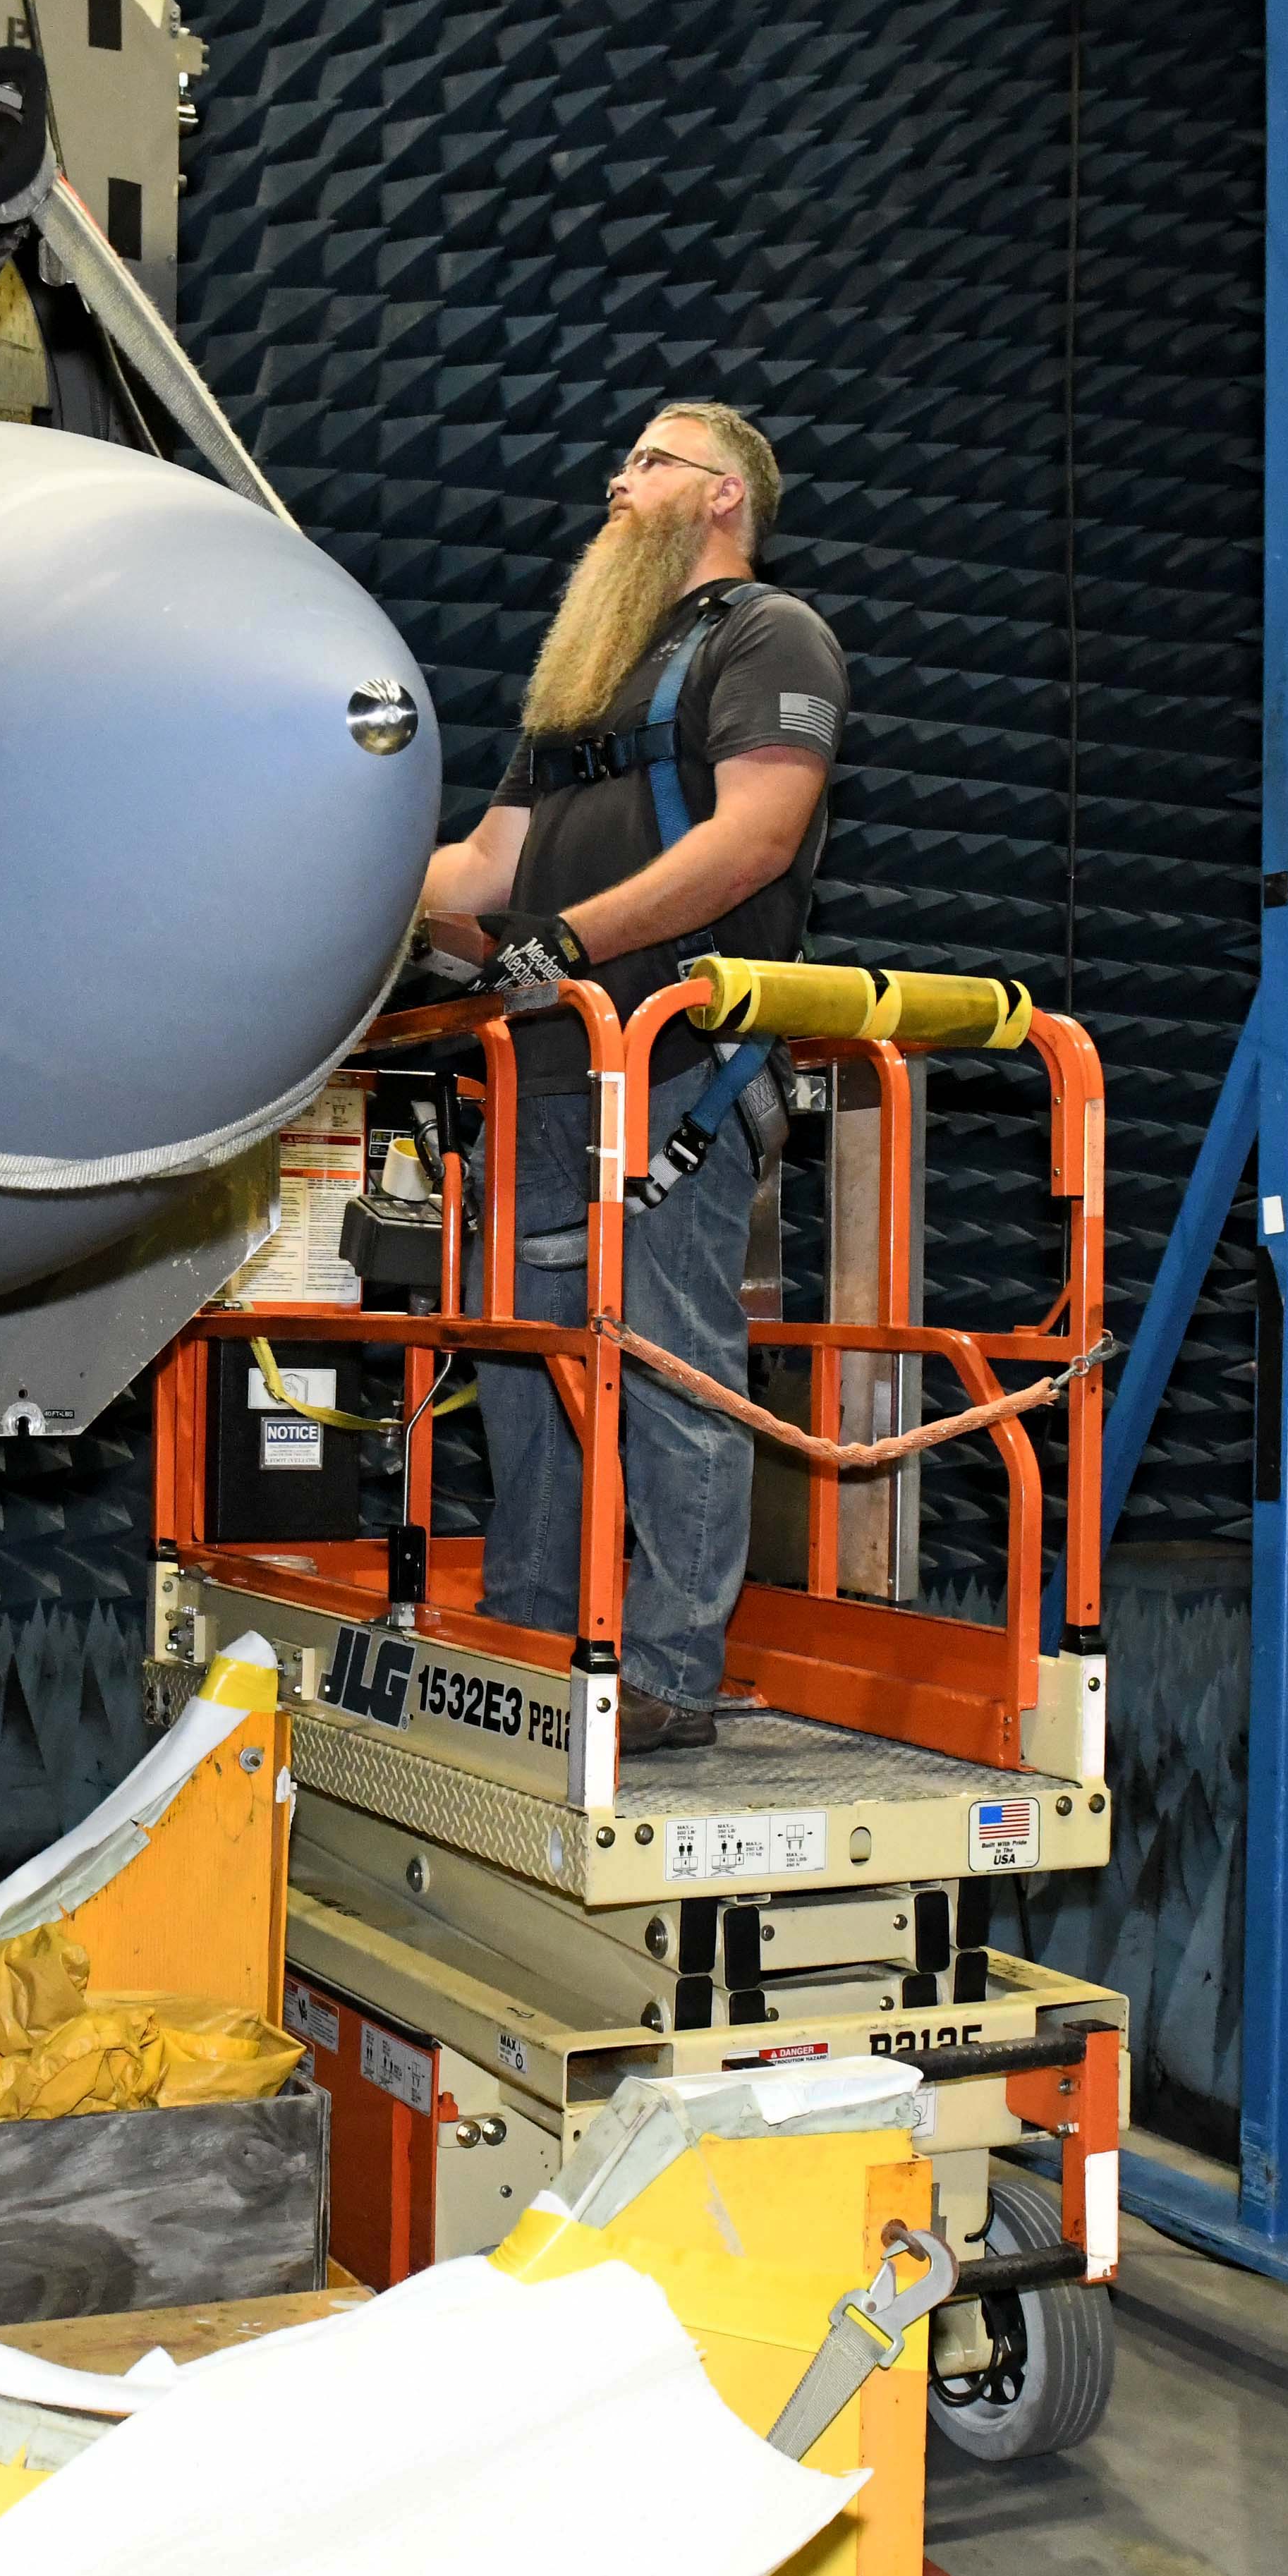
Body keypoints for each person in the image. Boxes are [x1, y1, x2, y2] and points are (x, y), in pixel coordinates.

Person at [415, 401, 846, 1756]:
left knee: (665, 1358)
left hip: (669, 1062)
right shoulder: (585, 673)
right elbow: (483, 870)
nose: (618, 483)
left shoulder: (770, 637)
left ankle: (670, 1671)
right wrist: (339, 880)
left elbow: (757, 841)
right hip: (541, 1067)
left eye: (650, 462)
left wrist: (578, 937)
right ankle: (536, 1631)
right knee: (532, 1355)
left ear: (723, 496)